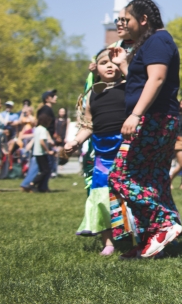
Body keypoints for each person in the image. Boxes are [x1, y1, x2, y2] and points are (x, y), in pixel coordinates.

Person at [108, 0, 182, 259]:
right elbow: (143, 80)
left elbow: (158, 78)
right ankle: (157, 237)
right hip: (156, 118)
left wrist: (136, 114)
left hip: (154, 119)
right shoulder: (150, 43)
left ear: (143, 20)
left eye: (126, 19)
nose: (122, 24)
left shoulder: (157, 41)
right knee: (153, 180)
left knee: (120, 176)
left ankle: (164, 224)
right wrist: (125, 66)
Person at [64, 47, 127, 254]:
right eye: (103, 63)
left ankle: (137, 236)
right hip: (102, 151)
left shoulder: (130, 87)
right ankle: (108, 242)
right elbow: (87, 125)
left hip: (126, 147)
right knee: (100, 195)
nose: (109, 65)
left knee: (128, 193)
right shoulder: (92, 94)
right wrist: (75, 142)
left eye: (113, 61)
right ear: (95, 69)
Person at [29, 111, 55, 192]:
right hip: (41, 153)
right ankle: (32, 183)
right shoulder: (43, 129)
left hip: (36, 152)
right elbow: (42, 141)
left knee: (42, 170)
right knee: (45, 171)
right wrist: (48, 151)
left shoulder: (37, 129)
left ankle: (41, 187)